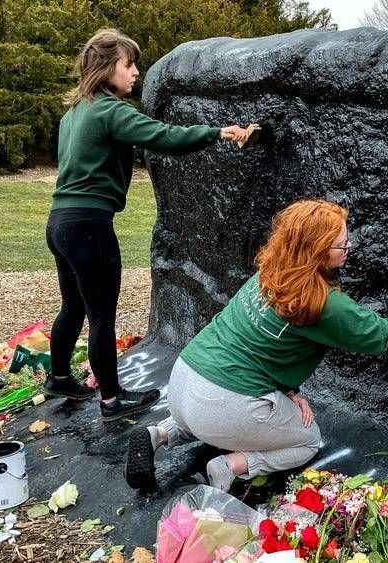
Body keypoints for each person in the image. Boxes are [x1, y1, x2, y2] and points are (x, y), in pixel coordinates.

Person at [124, 199, 388, 490]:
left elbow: (263, 344)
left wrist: (287, 391)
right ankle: (230, 466)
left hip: (184, 380)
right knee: (306, 441)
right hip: (219, 403)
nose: (348, 247)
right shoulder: (323, 304)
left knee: (214, 415)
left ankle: (159, 434)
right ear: (316, 251)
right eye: (341, 244)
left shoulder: (269, 272)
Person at [42, 28, 251, 422]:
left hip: (60, 222)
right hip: (89, 224)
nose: (136, 72)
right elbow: (163, 137)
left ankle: (60, 378)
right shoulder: (110, 110)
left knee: (73, 305)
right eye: (129, 64)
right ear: (107, 68)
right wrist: (218, 132)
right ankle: (111, 401)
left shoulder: (74, 113)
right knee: (101, 316)